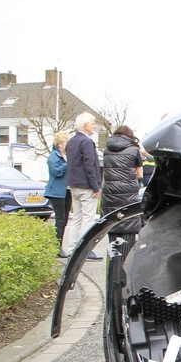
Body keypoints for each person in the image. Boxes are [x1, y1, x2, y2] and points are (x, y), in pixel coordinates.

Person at [65, 111, 103, 261]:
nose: (94, 126)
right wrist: (95, 186)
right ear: (86, 125)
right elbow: (90, 165)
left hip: (74, 184)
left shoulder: (71, 141)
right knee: (88, 218)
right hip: (86, 185)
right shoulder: (87, 142)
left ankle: (72, 248)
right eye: (93, 124)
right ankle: (85, 250)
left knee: (76, 218)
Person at [100, 125, 144, 249]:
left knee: (112, 225)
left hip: (109, 193)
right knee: (128, 224)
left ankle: (113, 264)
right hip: (128, 192)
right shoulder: (134, 149)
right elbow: (139, 173)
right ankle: (124, 263)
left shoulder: (107, 150)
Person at [43, 131, 71, 257]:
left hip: (67, 190)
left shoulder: (68, 156)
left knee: (64, 219)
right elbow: (56, 172)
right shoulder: (53, 156)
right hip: (56, 191)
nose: (68, 144)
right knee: (60, 219)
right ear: (59, 144)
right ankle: (57, 247)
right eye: (66, 141)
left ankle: (58, 245)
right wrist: (67, 164)